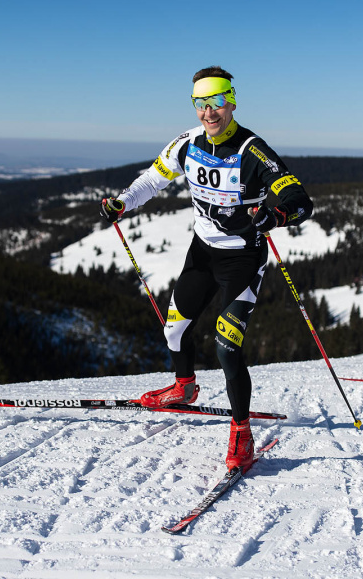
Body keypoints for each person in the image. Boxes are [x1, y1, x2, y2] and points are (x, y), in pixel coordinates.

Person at [99, 66, 313, 470]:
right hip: (202, 253)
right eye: (200, 103)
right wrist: (123, 202)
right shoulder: (188, 143)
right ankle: (184, 386)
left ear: (231, 101)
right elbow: (152, 180)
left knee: (226, 346)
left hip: (242, 260)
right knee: (173, 329)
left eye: (215, 101)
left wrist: (277, 214)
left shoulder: (252, 151)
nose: (208, 112)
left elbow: (299, 198)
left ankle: (242, 431)